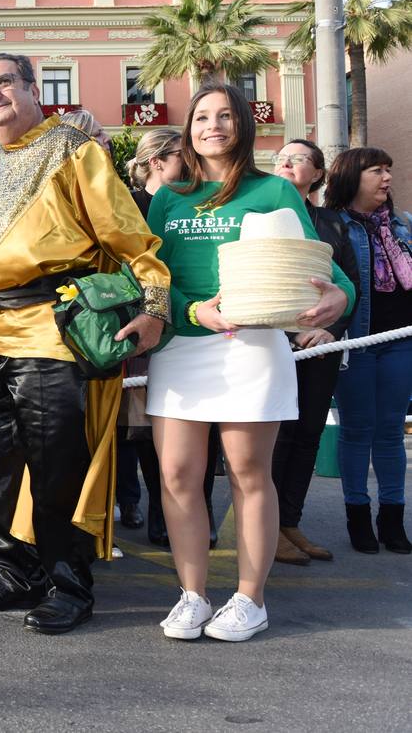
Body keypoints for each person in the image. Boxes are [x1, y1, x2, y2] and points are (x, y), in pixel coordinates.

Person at [0, 53, 169, 635]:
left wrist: (154, 308)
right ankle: (13, 572)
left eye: (5, 82)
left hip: (54, 331)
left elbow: (131, 238)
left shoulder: (76, 149)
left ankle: (68, 584)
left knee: (57, 470)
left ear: (33, 89)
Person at [147, 82, 352, 642]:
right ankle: (192, 595)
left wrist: (342, 298)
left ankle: (250, 600)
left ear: (243, 124)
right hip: (184, 345)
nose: (212, 126)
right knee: (178, 475)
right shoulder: (169, 196)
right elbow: (151, 281)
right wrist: (193, 311)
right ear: (189, 128)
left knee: (247, 473)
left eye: (224, 116)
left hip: (253, 347)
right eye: (201, 117)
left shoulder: (275, 193)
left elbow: (325, 272)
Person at [270, 140, 358, 565]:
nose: (285, 162)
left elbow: (349, 284)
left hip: (320, 346)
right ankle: (267, 528)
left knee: (307, 436)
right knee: (277, 437)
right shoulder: (261, 216)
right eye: (280, 157)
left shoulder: (334, 224)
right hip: (272, 342)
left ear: (319, 174)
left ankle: (290, 523)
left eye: (298, 158)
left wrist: (329, 330)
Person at [326, 147, 412, 555]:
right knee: (358, 431)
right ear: (350, 177)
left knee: (391, 430)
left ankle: (392, 520)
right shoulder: (332, 227)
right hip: (354, 343)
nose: (386, 177)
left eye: (388, 169)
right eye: (377, 170)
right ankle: (358, 517)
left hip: (401, 342)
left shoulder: (403, 225)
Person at [117, 130, 185, 543]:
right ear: (158, 160)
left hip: (176, 326)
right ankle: (130, 503)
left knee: (164, 431)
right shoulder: (128, 203)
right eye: (182, 154)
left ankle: (165, 517)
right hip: (133, 324)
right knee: (129, 428)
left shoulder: (185, 203)